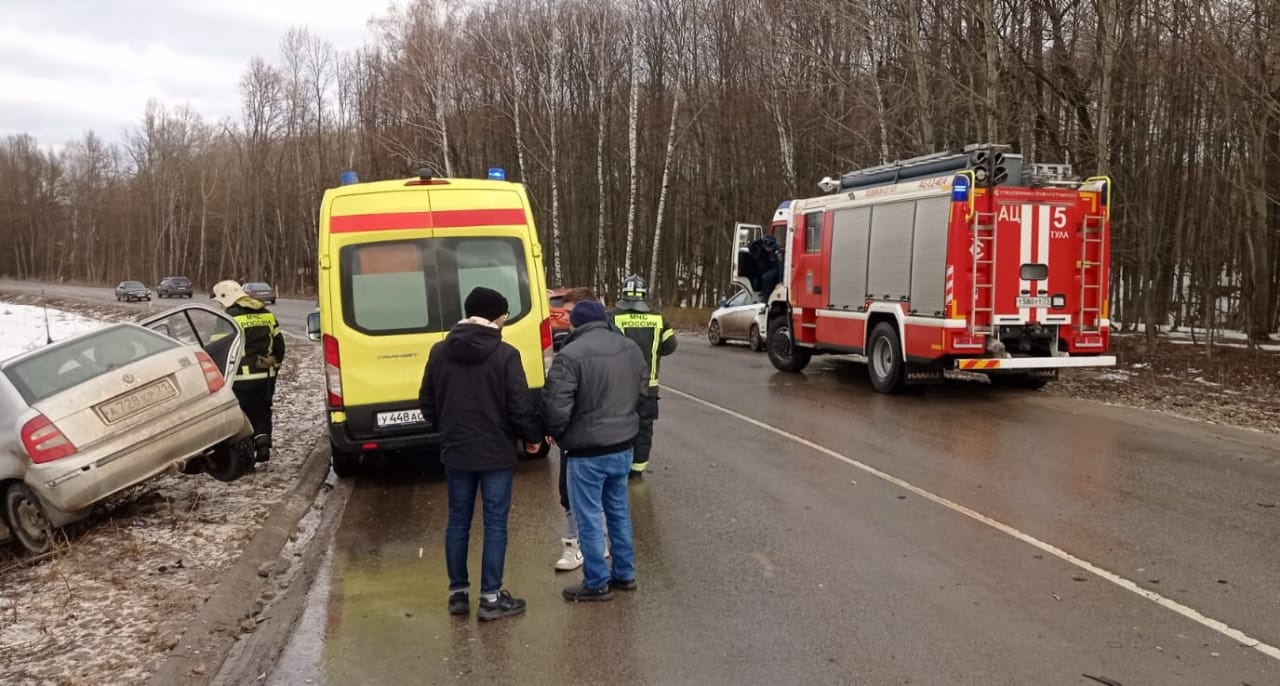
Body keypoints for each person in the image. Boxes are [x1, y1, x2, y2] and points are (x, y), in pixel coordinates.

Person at [419, 286, 543, 621]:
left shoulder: (440, 351)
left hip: (457, 450)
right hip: (496, 452)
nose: (505, 319)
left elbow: (426, 402)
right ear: (495, 315)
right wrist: (532, 438)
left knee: (457, 522)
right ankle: (490, 598)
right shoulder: (506, 354)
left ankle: (458, 594)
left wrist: (447, 428)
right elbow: (519, 406)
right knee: (495, 524)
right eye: (504, 314)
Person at [543, 300, 648, 601]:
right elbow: (642, 394)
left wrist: (559, 435)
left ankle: (596, 582)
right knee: (617, 511)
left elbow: (556, 407)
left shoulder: (571, 355)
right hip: (622, 446)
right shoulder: (629, 349)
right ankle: (625, 573)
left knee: (588, 516)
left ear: (575, 324)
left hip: (587, 451)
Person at [551, 287, 613, 572]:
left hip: (583, 434)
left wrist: (554, 428)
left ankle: (578, 546)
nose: (565, 318)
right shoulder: (617, 341)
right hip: (614, 434)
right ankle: (600, 544)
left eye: (569, 313)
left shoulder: (574, 349)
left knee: (575, 491)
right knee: (602, 495)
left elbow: (561, 396)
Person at [609, 275, 676, 477]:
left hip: (620, 387)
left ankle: (620, 466)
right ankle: (638, 467)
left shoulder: (612, 317)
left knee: (620, 427)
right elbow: (670, 347)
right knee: (644, 428)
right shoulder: (659, 319)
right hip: (649, 387)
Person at [212, 280, 285, 463]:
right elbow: (280, 347)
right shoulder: (266, 313)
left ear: (225, 298)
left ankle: (248, 452)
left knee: (243, 413)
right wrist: (274, 368)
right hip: (265, 377)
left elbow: (218, 347)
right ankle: (263, 445)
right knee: (262, 410)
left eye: (220, 302)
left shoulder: (228, 318)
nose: (219, 306)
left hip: (240, 377)